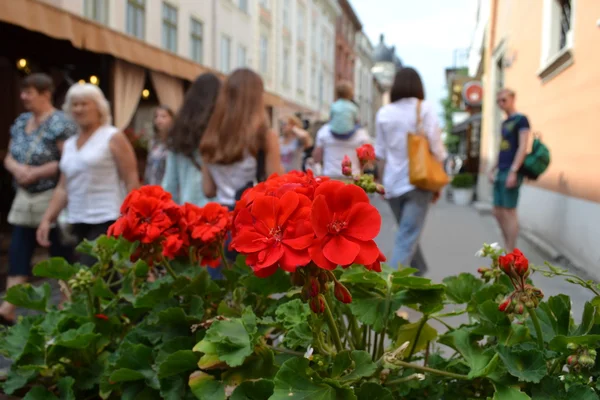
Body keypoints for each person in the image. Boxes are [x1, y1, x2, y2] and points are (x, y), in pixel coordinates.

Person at [0, 73, 77, 326]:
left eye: (29, 92)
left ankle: (67, 305)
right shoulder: (22, 121)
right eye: (22, 92)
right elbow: (9, 154)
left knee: (59, 252)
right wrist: (17, 170)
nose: (23, 97)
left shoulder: (61, 122)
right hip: (24, 196)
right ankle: (8, 307)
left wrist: (36, 172)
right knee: (19, 248)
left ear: (46, 93)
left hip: (51, 195)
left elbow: (68, 161)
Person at [36, 83, 140, 266]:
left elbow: (131, 178)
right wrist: (47, 219)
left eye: (84, 104)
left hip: (107, 218)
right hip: (76, 219)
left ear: (99, 107)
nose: (79, 108)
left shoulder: (112, 136)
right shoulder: (69, 144)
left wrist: (134, 218)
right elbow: (63, 187)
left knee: (93, 275)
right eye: (74, 104)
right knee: (95, 282)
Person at [374, 67, 447, 275]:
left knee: (406, 233)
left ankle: (418, 271)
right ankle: (389, 288)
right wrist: (438, 179)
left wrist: (381, 183)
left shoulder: (384, 113)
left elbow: (380, 152)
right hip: (419, 182)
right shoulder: (424, 108)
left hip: (392, 184)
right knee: (407, 236)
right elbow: (436, 147)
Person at [200, 68, 284, 208]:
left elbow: (208, 190)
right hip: (250, 218)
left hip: (222, 219)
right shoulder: (264, 136)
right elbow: (278, 186)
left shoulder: (210, 136)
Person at [162, 74, 221, 206]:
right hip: (219, 215)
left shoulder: (179, 133)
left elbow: (170, 185)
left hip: (189, 212)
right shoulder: (221, 132)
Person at [488, 88, 530, 251]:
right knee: (497, 211)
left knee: (509, 211)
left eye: (503, 100)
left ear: (513, 99)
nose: (500, 103)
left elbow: (523, 146)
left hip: (511, 170)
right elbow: (502, 148)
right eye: (498, 101)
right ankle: (507, 247)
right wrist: (492, 168)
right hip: (501, 169)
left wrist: (514, 171)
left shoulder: (522, 120)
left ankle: (511, 251)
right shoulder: (504, 123)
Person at [144, 105, 174, 185]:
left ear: (172, 119)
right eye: (156, 116)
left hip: (169, 189)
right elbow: (149, 168)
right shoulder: (153, 142)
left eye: (163, 116)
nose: (159, 120)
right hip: (153, 186)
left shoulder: (175, 142)